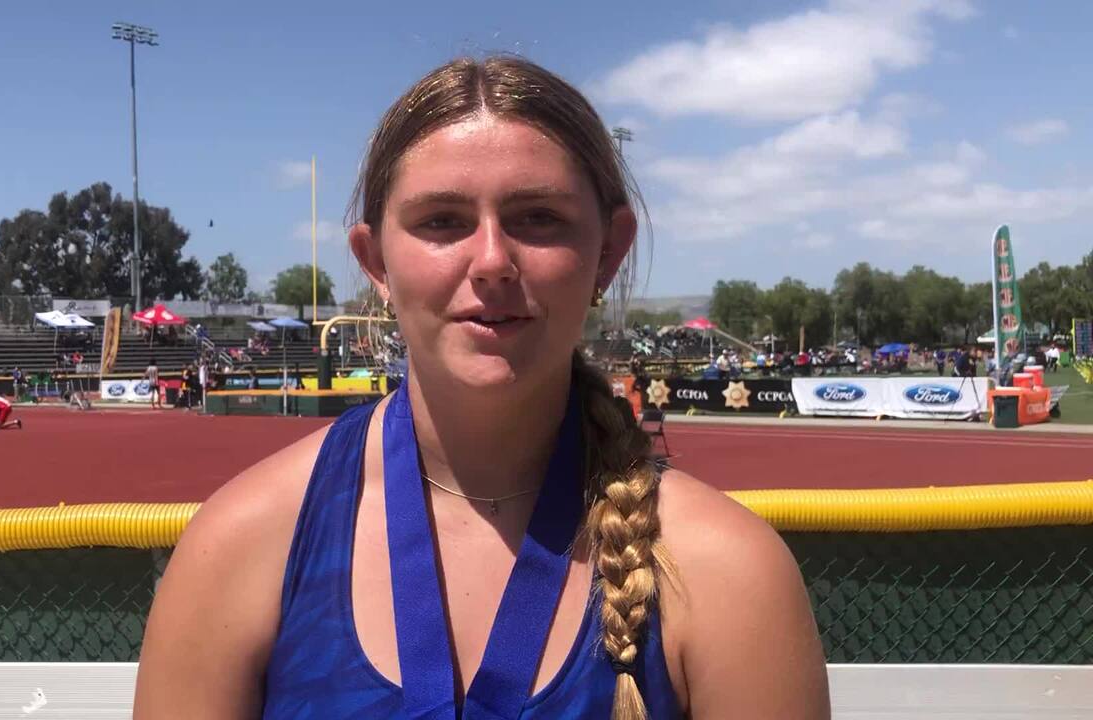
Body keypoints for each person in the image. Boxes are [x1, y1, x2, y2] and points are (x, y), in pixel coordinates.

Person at [134, 57, 828, 720]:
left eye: (538, 217)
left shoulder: (728, 573)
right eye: (442, 221)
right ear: (375, 263)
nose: (493, 260)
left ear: (608, 251)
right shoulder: (243, 545)